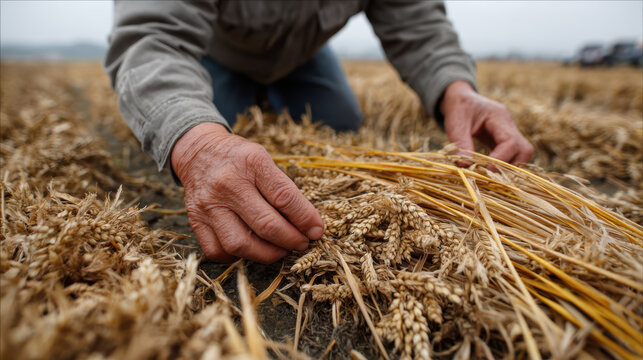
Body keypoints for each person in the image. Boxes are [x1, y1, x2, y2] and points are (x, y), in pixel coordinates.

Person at [105, 1, 533, 265]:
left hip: (302, 58)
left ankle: (273, 87)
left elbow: (419, 25)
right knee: (207, 119)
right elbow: (151, 39)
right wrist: (196, 142)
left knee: (339, 120)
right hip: (213, 55)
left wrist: (456, 89)